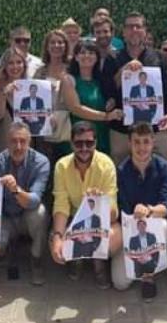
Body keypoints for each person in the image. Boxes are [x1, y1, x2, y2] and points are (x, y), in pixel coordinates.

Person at [51, 121, 121, 288]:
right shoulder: (61, 166)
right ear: (71, 143)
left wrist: (101, 202)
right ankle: (77, 259)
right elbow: (61, 205)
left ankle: (98, 263)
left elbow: (113, 215)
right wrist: (58, 237)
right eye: (79, 143)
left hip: (100, 220)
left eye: (89, 143)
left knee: (113, 238)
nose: (84, 148)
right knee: (54, 239)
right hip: (74, 220)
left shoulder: (106, 165)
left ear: (96, 143)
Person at [114, 122, 167, 300]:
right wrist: (135, 215)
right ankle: (138, 261)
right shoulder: (121, 171)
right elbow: (122, 210)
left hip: (156, 221)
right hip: (130, 227)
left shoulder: (165, 168)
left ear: (153, 142)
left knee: (162, 225)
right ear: (129, 144)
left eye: (146, 142)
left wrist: (149, 210)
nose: (141, 147)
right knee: (120, 283)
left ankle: (148, 275)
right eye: (137, 142)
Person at [109, 12, 167, 162]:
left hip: (155, 129)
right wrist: (124, 71)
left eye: (138, 26)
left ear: (145, 31)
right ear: (124, 32)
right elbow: (107, 90)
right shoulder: (112, 58)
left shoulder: (159, 58)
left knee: (165, 168)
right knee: (120, 176)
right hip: (121, 131)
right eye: (130, 26)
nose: (134, 30)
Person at [0, 122, 50, 285]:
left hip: (27, 216)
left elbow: (34, 201)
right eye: (13, 141)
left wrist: (15, 189)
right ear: (7, 142)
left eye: (22, 141)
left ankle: (36, 258)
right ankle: (4, 250)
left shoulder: (41, 162)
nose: (18, 146)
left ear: (29, 142)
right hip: (6, 217)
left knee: (40, 212)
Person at [68, 41, 122, 155]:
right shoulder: (69, 80)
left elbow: (111, 97)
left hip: (102, 136)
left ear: (97, 58)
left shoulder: (101, 81)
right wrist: (106, 116)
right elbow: (76, 108)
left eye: (91, 53)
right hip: (80, 140)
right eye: (82, 53)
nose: (87, 56)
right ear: (76, 57)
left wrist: (111, 102)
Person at [34, 29, 73, 159]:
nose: (57, 46)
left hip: (69, 130)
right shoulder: (40, 72)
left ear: (66, 46)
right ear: (47, 46)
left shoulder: (73, 68)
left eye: (60, 42)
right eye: (53, 42)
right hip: (44, 133)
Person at [0, 48, 28, 153]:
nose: (15, 66)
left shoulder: (31, 86)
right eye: (10, 63)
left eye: (19, 62)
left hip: (25, 144)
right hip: (3, 144)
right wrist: (4, 93)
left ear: (24, 65)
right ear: (4, 66)